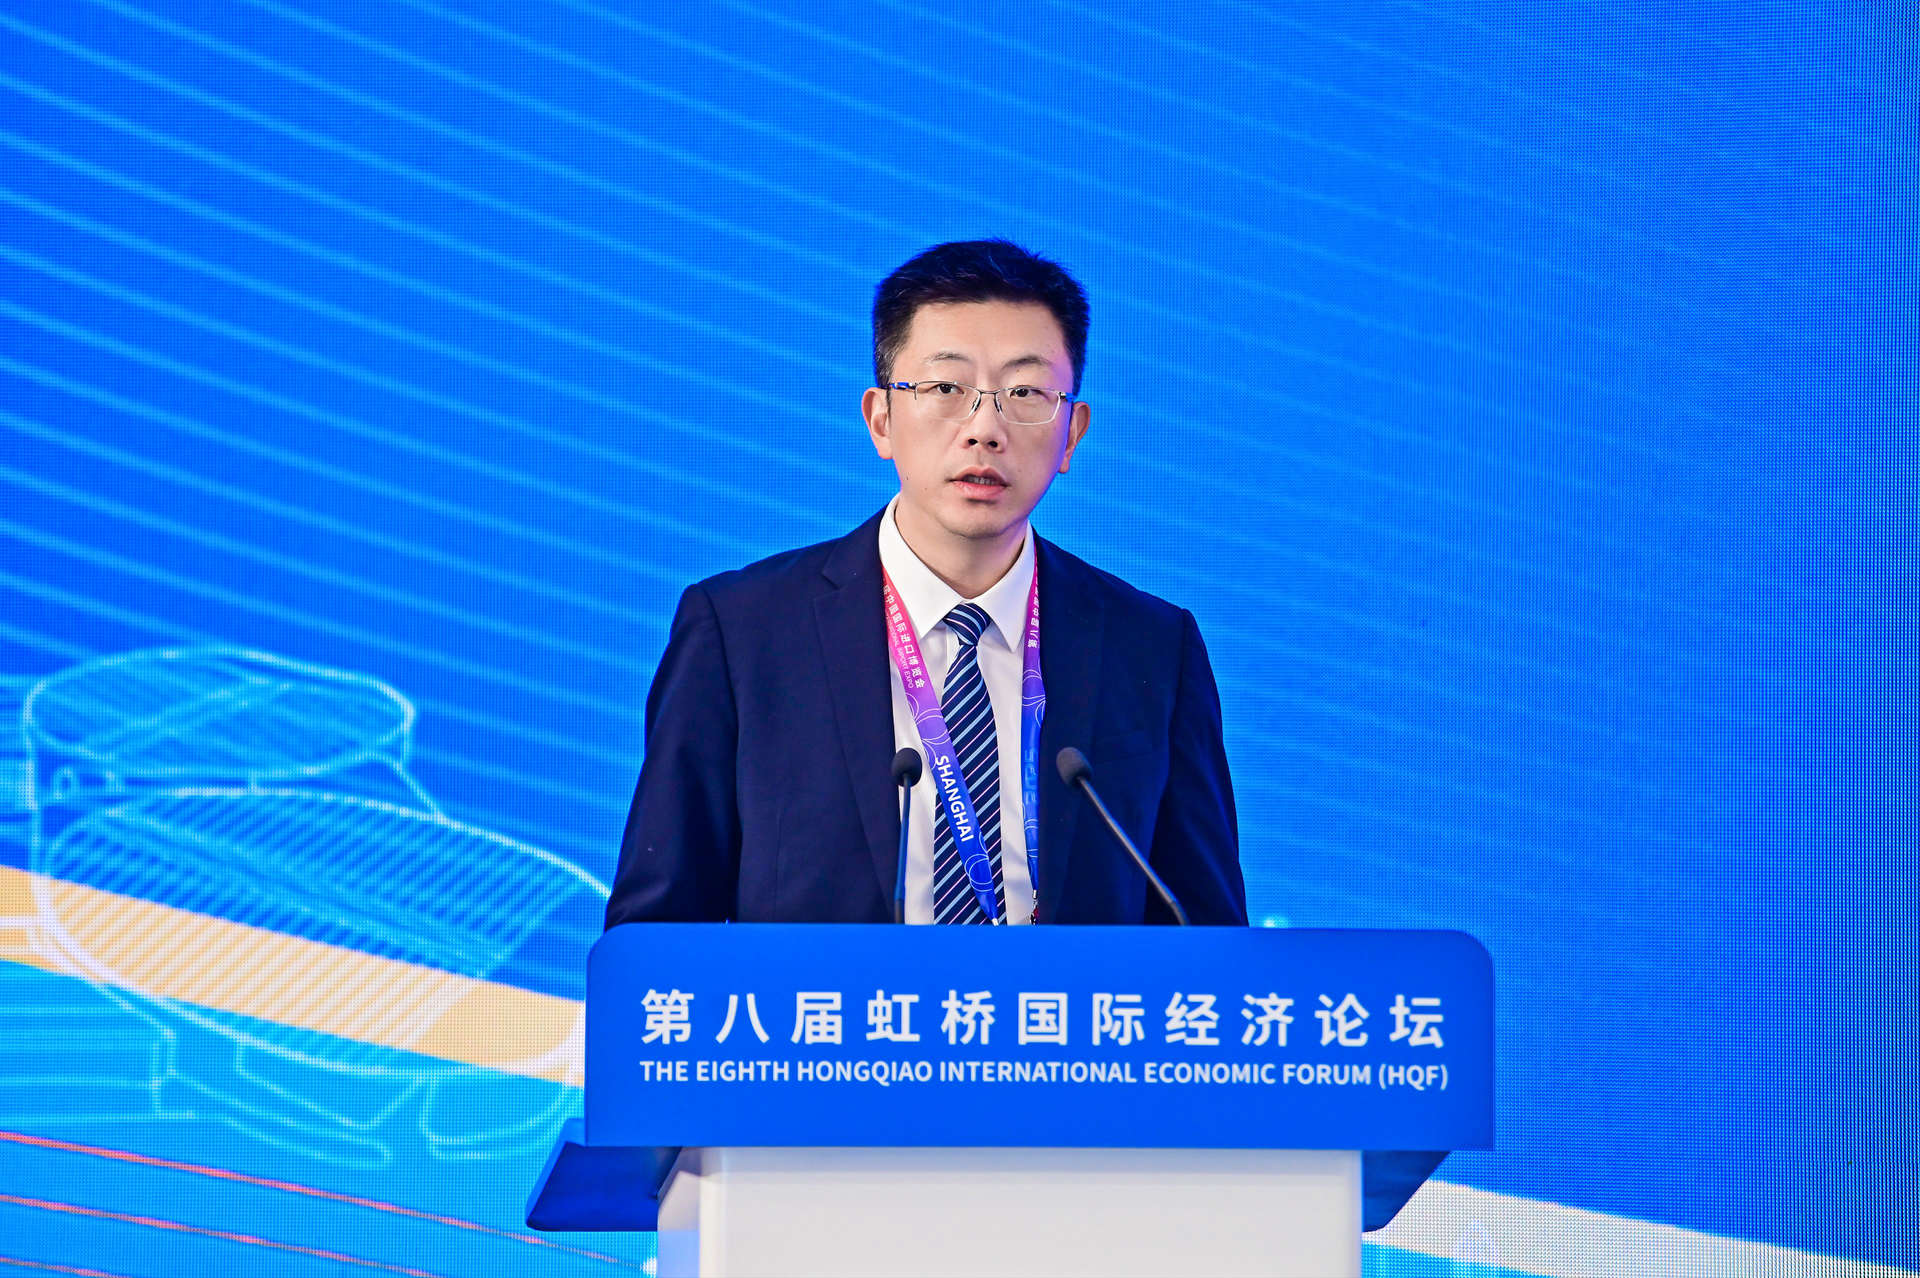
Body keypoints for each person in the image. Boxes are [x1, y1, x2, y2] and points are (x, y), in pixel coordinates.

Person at [605, 239, 1245, 928]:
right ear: (880, 419)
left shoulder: (1151, 649)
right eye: (946, 389)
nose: (985, 429)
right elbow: (653, 940)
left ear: (1072, 434)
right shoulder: (741, 633)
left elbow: (1207, 939)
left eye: (1026, 393)